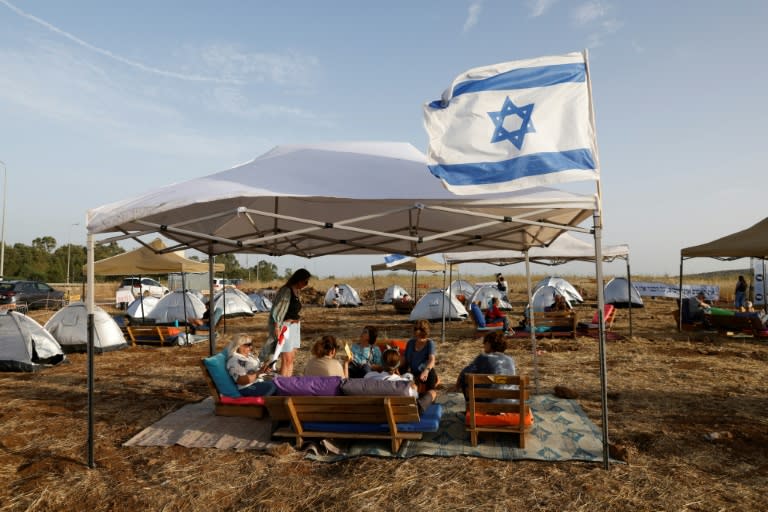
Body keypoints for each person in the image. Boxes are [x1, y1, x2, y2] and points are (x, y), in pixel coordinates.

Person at [260, 268, 311, 377]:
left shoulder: (297, 291)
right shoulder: (286, 291)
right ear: (299, 279)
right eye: (305, 281)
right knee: (286, 358)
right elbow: (277, 310)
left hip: (295, 327)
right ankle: (283, 385)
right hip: (285, 327)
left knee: (291, 358)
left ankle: (289, 384)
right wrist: (277, 327)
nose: (306, 284)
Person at [365, 348, 435, 412]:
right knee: (432, 392)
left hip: (373, 412)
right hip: (398, 414)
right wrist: (414, 387)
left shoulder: (368, 376)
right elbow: (415, 396)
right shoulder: (404, 384)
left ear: (381, 363)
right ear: (398, 365)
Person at [455, 331, 517, 400]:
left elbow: (464, 374)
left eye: (485, 342)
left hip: (485, 404)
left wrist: (457, 385)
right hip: (510, 402)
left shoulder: (483, 358)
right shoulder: (510, 359)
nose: (483, 345)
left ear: (489, 344)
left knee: (466, 379)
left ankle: (470, 406)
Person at [400, 319, 438, 393]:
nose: (417, 331)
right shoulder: (410, 343)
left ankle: (430, 396)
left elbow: (432, 360)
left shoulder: (430, 343)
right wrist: (395, 367)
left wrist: (426, 371)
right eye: (416, 329)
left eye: (420, 329)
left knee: (431, 372)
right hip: (412, 372)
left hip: (424, 372)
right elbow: (404, 359)